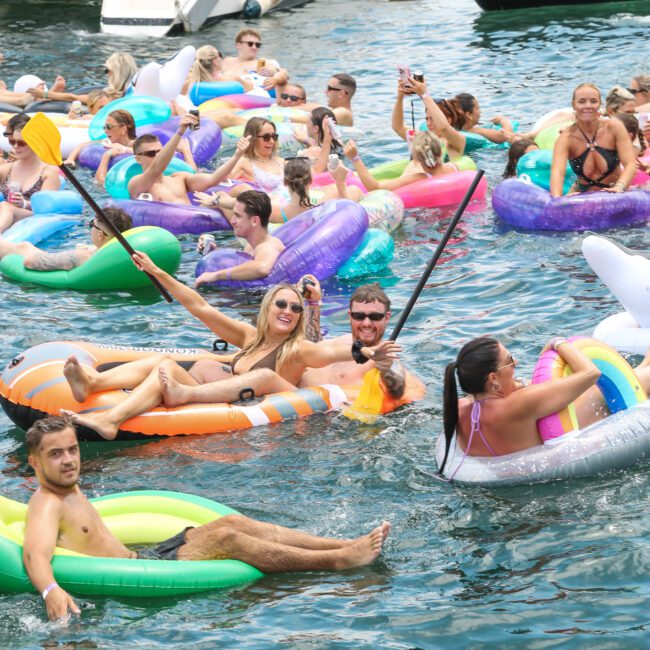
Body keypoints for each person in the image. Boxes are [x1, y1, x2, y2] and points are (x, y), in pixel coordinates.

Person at [23, 415, 390, 621]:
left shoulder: (68, 488)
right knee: (230, 542)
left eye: (72, 449)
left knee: (235, 524)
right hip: (145, 575)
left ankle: (343, 544)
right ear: (35, 462)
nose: (69, 459)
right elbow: (33, 555)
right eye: (56, 454)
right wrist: (51, 591)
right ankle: (337, 561)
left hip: (147, 557)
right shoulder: (47, 502)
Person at [60, 267, 399, 439]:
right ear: (267, 307)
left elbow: (330, 351)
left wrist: (367, 351)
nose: (286, 310)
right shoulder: (249, 336)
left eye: (294, 308)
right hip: (237, 393)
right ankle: (94, 383)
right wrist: (156, 272)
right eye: (280, 303)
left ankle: (117, 417)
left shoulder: (297, 349)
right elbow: (201, 307)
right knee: (179, 364)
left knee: (264, 374)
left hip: (285, 399)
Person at [438, 336, 650, 473]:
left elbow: (492, 399)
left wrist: (516, 383)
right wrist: (558, 343)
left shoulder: (457, 408)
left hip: (506, 475)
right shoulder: (522, 402)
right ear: (493, 378)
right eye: (510, 359)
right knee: (599, 391)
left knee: (637, 374)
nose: (516, 363)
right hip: (557, 451)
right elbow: (591, 373)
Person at [299, 281, 407, 399]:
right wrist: (313, 303)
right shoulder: (341, 341)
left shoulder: (384, 357)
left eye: (375, 317)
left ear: (386, 318)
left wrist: (386, 371)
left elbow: (398, 390)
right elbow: (312, 345)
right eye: (359, 316)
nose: (367, 323)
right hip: (290, 399)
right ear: (350, 316)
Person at [196, 156, 357, 225]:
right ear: (310, 181)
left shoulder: (276, 211)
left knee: (224, 197)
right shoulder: (322, 207)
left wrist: (216, 199)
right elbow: (348, 212)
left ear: (285, 182)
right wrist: (340, 181)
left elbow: (235, 203)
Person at [127, 113, 246, 203]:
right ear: (138, 159)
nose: (158, 156)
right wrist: (180, 131)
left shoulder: (180, 178)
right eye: (151, 154)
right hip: (171, 232)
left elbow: (213, 179)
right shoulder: (136, 184)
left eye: (160, 152)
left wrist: (237, 156)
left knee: (227, 195)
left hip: (196, 230)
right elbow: (156, 169)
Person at [550, 83, 637, 197]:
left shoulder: (614, 128)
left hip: (615, 192)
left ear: (600, 104)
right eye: (581, 102)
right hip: (582, 193)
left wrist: (619, 187)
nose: (588, 106)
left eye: (593, 101)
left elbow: (630, 164)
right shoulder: (566, 138)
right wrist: (557, 199)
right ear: (573, 105)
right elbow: (558, 173)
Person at [194, 190, 285, 285]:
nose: (232, 221)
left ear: (254, 221)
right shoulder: (251, 246)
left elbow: (262, 268)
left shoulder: (268, 246)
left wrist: (216, 275)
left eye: (237, 216)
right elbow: (241, 266)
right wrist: (214, 253)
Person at [0, 207, 132, 270]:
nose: (90, 228)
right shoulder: (123, 254)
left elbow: (29, 262)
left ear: (100, 235)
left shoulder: (83, 256)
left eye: (92, 225)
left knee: (23, 247)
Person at [0, 115, 61, 233]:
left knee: (6, 206)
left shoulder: (48, 172)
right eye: (12, 142)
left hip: (33, 218)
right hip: (6, 215)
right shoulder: (6, 170)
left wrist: (24, 203)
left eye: (22, 143)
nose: (15, 147)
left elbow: (46, 208)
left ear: (35, 143)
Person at [344, 130, 456, 192]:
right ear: (441, 151)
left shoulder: (421, 177)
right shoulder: (452, 168)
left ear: (416, 158)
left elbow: (375, 188)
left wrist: (355, 158)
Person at [392, 76, 466, 160]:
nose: (428, 123)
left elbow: (444, 127)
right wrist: (400, 97)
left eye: (432, 119)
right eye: (427, 119)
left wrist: (424, 94)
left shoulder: (458, 140)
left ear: (448, 120)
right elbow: (398, 127)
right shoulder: (422, 138)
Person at [65, 110, 140, 182]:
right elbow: (83, 145)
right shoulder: (107, 142)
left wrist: (123, 149)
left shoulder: (136, 143)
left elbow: (147, 153)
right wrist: (70, 159)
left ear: (123, 128)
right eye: (104, 127)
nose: (106, 131)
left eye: (109, 127)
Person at [224, 117, 285, 193]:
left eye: (274, 136)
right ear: (253, 138)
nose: (272, 141)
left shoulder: (280, 161)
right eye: (266, 137)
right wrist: (237, 155)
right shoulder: (243, 162)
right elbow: (222, 183)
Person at [221, 29, 289, 91]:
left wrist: (275, 72)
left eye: (257, 45)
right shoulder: (227, 61)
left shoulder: (261, 63)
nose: (254, 47)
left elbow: (285, 74)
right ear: (238, 45)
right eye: (250, 44)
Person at [296, 107, 343, 173]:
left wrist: (308, 142)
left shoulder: (310, 152)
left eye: (308, 122)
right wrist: (308, 141)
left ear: (315, 129)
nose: (306, 124)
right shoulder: (340, 144)